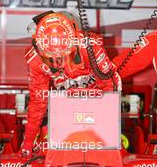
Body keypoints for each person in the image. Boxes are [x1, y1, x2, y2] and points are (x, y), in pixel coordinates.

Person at [21, 11, 157, 157]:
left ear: (74, 41)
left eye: (63, 55)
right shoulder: (34, 60)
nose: (57, 62)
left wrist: (106, 128)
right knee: (46, 138)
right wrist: (28, 143)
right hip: (65, 102)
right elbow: (38, 101)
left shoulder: (89, 45)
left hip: (98, 88)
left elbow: (110, 83)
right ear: (37, 44)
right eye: (50, 57)